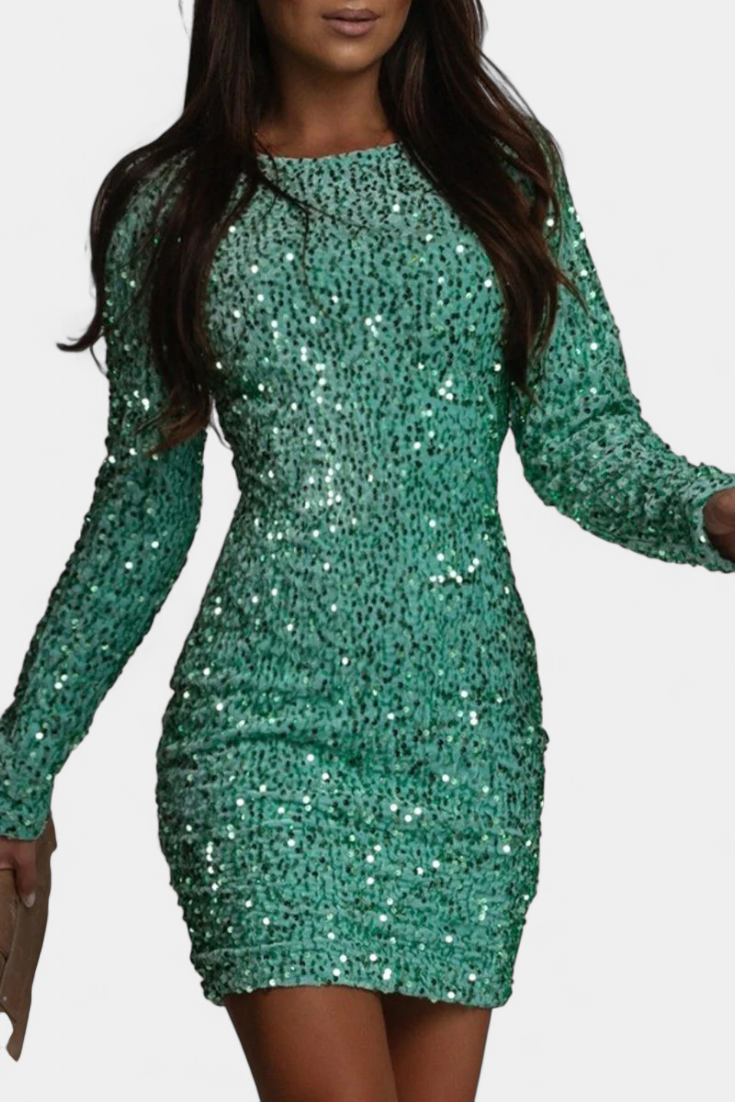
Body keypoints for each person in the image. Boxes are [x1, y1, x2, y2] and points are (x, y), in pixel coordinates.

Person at [2, 0, 735, 1096]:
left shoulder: (504, 174)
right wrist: (18, 770)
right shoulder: (173, 203)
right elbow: (142, 514)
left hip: (467, 741)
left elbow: (582, 440)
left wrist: (714, 510)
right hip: (262, 741)